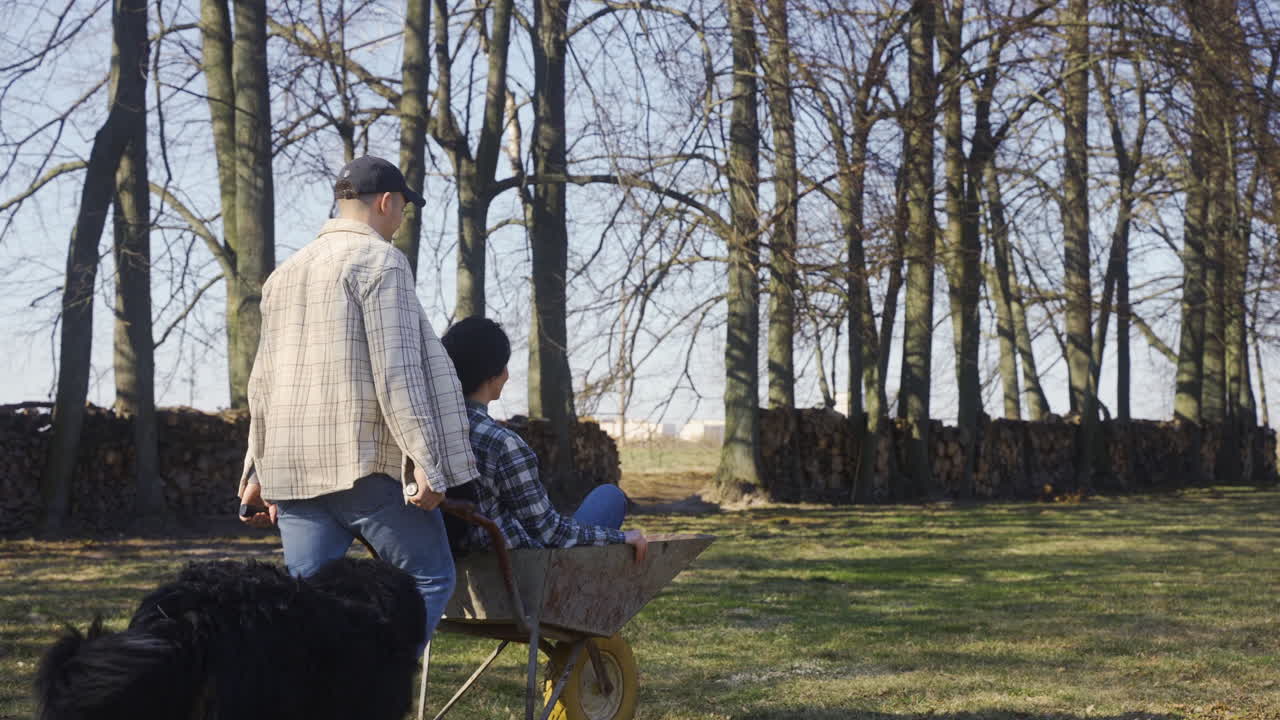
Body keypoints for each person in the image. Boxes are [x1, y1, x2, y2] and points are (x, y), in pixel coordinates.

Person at [237, 155, 479, 644]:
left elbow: (263, 381)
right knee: (429, 579)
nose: (404, 217)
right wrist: (429, 464)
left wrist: (255, 471)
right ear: (387, 201)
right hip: (360, 465)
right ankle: (370, 692)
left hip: (291, 473)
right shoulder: (381, 261)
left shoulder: (284, 273)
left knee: (307, 606)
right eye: (405, 207)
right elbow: (400, 373)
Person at [440, 316, 647, 562]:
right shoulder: (502, 443)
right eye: (504, 366)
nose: (507, 374)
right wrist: (622, 538)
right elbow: (550, 533)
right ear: (493, 374)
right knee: (610, 498)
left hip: (459, 557)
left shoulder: (428, 433)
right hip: (525, 568)